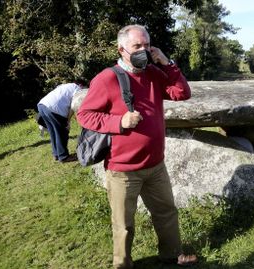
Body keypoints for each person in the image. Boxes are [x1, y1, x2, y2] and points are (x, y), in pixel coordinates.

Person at [77, 24, 197, 268]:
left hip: (155, 165)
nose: (143, 50)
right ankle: (122, 264)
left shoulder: (153, 73)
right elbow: (85, 115)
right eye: (137, 46)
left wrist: (166, 62)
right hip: (123, 169)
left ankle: (172, 255)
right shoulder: (107, 78)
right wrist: (119, 121)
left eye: (147, 45)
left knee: (166, 213)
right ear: (122, 50)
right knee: (123, 224)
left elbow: (182, 93)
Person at [37, 82, 83, 162]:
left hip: (42, 105)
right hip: (54, 109)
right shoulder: (78, 90)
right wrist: (67, 120)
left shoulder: (66, 85)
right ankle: (63, 156)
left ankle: (56, 154)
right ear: (81, 86)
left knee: (53, 132)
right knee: (62, 132)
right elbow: (73, 106)